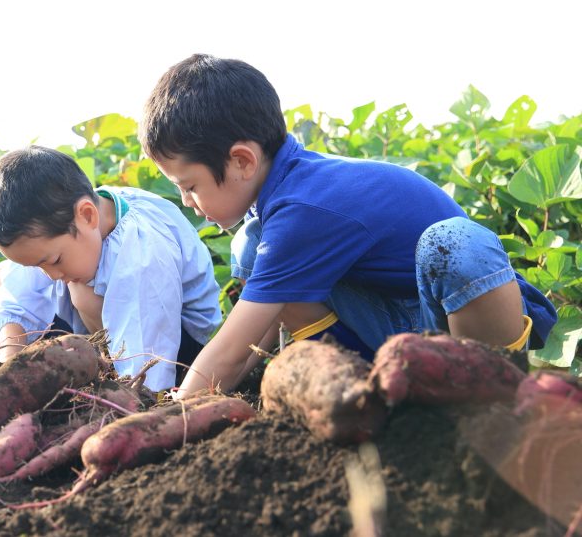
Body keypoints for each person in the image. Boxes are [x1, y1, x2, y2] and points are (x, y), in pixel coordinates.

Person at [137, 53, 558, 399]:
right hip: (395, 327)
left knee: (454, 244)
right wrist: (210, 396)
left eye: (189, 187)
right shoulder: (277, 204)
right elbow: (252, 338)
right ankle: (370, 391)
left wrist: (179, 408)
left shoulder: (306, 205)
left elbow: (228, 349)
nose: (189, 204)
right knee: (252, 247)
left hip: (453, 319)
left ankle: (483, 397)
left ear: (242, 161)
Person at [0, 145, 222, 392]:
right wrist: (7, 376)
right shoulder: (78, 222)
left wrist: (136, 398)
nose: (50, 272)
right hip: (118, 322)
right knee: (5, 276)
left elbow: (153, 359)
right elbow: (21, 288)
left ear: (88, 215)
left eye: (54, 260)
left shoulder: (142, 259)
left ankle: (110, 376)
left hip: (176, 351)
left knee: (83, 291)